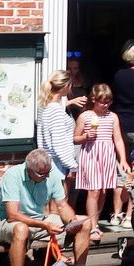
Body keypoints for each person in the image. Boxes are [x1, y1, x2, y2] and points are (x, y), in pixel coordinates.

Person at [0, 149, 100, 266]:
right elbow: (13, 215)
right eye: (42, 174)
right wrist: (45, 225)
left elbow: (62, 205)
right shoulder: (12, 176)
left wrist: (72, 221)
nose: (47, 176)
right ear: (29, 170)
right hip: (5, 225)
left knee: (84, 223)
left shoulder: (51, 174)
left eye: (48, 172)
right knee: (21, 229)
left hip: (38, 222)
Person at [73, 82, 130, 232]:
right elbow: (74, 138)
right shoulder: (85, 116)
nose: (105, 105)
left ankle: (95, 221)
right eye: (101, 102)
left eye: (108, 102)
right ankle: (92, 226)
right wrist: (86, 136)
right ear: (93, 100)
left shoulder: (112, 117)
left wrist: (122, 159)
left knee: (103, 190)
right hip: (91, 154)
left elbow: (117, 139)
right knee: (94, 191)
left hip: (107, 155)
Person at [38, 70, 81, 200]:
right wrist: (72, 166)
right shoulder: (56, 110)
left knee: (49, 203)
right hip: (56, 164)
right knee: (59, 203)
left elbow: (41, 137)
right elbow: (59, 142)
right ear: (66, 86)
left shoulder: (44, 107)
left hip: (49, 161)